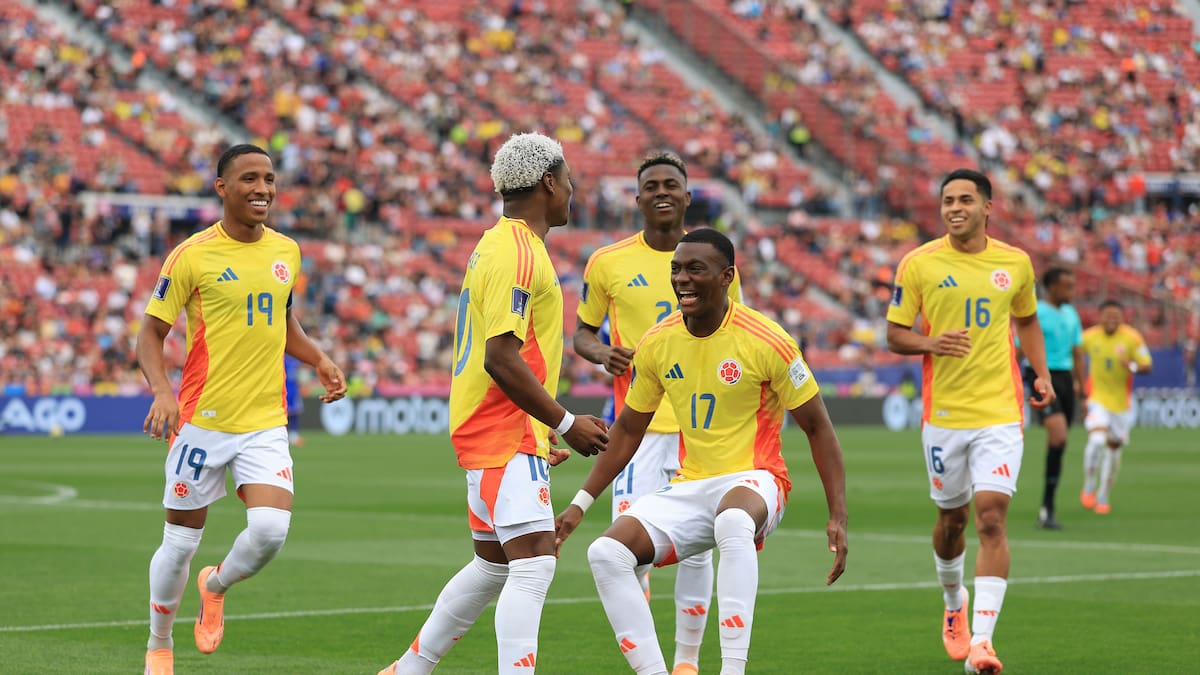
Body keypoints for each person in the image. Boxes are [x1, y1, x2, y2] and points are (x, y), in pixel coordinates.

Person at [556, 228, 848, 675]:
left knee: (732, 520)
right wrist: (579, 505)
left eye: (695, 269)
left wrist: (837, 516)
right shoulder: (658, 341)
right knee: (606, 553)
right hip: (692, 485)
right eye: (676, 269)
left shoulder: (768, 340)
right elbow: (630, 428)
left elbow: (818, 428)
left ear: (727, 276)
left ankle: (731, 669)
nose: (681, 279)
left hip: (757, 479)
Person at [377, 133, 609, 675]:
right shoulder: (519, 253)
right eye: (569, 179)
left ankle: (407, 670)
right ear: (549, 183)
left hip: (498, 434)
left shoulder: (495, 243)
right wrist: (566, 421)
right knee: (533, 567)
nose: (574, 189)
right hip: (501, 435)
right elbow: (501, 357)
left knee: (494, 568)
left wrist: (543, 428)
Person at [137, 144, 347, 675]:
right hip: (201, 425)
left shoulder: (287, 251)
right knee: (179, 543)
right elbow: (150, 332)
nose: (262, 188)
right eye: (249, 178)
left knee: (272, 531)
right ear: (222, 187)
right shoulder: (192, 255)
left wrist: (318, 357)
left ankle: (217, 584)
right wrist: (163, 390)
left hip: (263, 423)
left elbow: (283, 320)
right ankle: (159, 642)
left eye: (269, 178)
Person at [573, 152, 743, 675]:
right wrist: (602, 353)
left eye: (673, 184)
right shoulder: (608, 263)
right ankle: (648, 657)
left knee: (697, 551)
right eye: (652, 185)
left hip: (699, 429)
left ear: (688, 197)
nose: (662, 192)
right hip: (637, 430)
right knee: (629, 551)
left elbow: (735, 329)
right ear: (639, 198)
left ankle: (685, 664)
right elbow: (580, 333)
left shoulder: (714, 261)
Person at [886, 168, 1055, 674]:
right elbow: (895, 335)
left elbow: (1026, 319)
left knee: (991, 518)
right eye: (947, 201)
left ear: (988, 207)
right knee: (952, 521)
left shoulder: (1015, 263)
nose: (954, 208)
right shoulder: (918, 264)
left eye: (965, 199)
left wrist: (1041, 374)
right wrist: (930, 342)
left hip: (1001, 412)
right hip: (944, 417)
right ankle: (952, 599)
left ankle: (982, 642)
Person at [1024, 267, 1084, 529]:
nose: (1072, 291)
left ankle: (1048, 504)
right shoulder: (1035, 312)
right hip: (1039, 375)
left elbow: (1077, 351)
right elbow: (1018, 347)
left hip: (1065, 379)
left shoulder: (1071, 314)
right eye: (1067, 286)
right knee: (1058, 435)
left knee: (1061, 442)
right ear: (1051, 287)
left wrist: (1082, 385)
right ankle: (1047, 507)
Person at [1080, 300, 1152, 514]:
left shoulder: (1132, 337)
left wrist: (1130, 365)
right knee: (1096, 440)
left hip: (1121, 405)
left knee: (1113, 450)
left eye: (1116, 315)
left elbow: (1147, 365)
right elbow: (1074, 352)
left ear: (1122, 317)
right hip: (1097, 398)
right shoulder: (1090, 336)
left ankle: (1103, 495)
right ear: (1099, 316)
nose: (1112, 319)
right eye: (1108, 315)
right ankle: (1089, 483)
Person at [284, 354, 305, 447]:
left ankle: (293, 434)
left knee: (295, 412)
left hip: (294, 390)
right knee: (287, 414)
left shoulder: (293, 361)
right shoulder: (283, 361)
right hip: (285, 391)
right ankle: (288, 435)